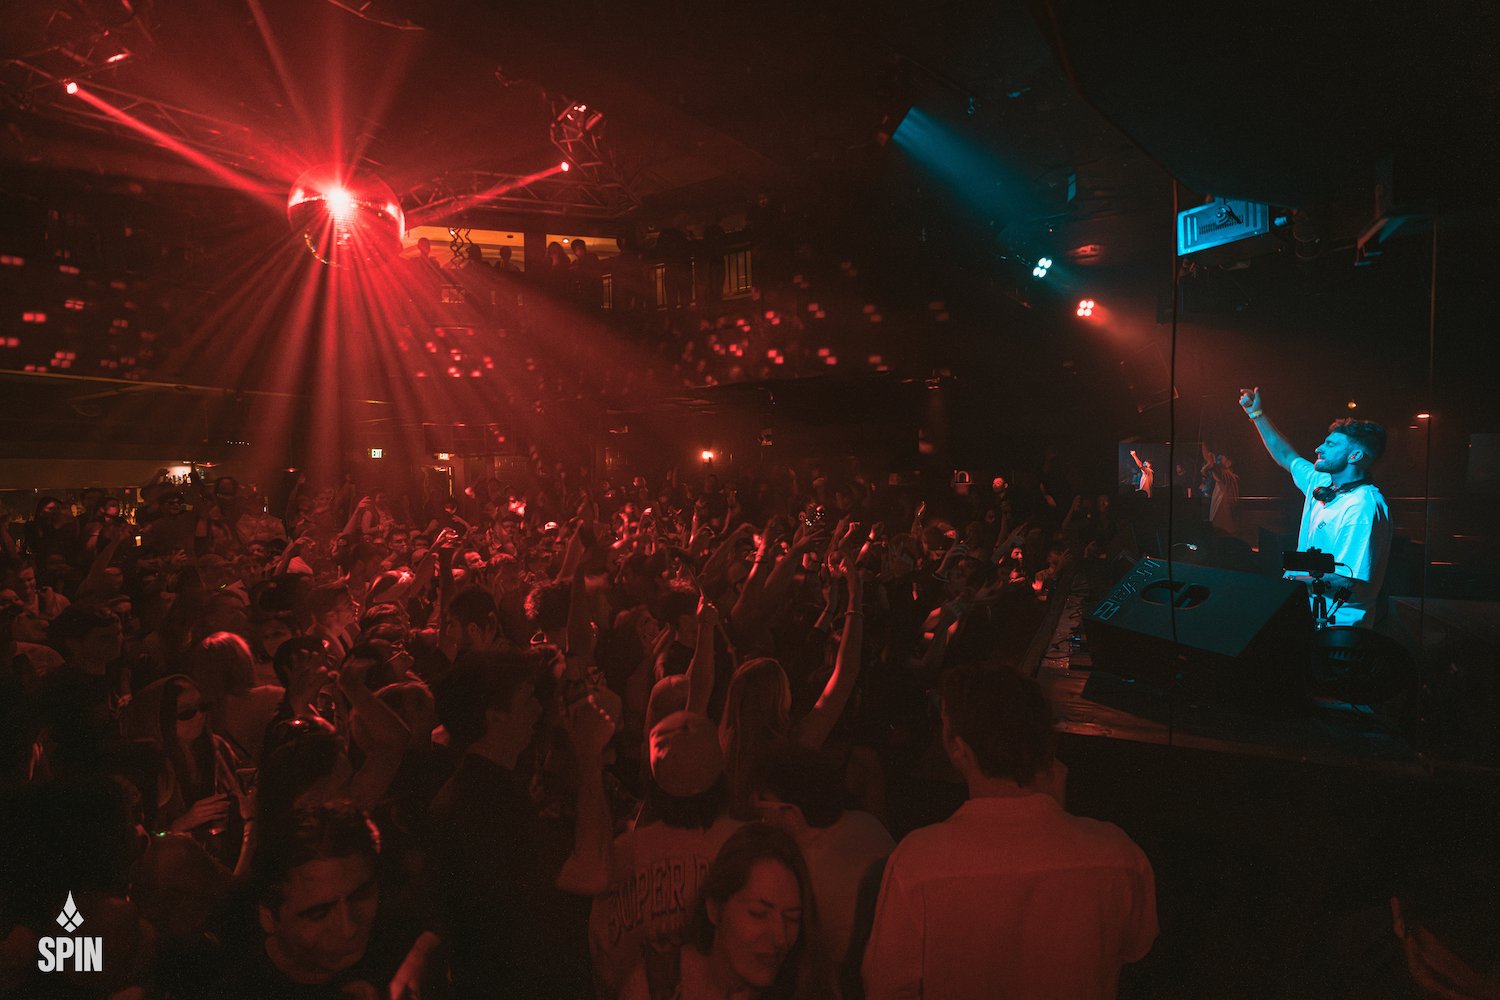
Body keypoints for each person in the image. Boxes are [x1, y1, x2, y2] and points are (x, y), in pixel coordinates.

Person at [862, 667, 1156, 999]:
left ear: (958, 748)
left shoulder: (915, 865)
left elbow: (886, 987)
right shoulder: (1118, 856)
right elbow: (1135, 947)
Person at [1238, 387, 1391, 627]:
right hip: (1308, 616)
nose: (1319, 448)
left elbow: (1349, 581)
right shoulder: (1323, 483)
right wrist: (1256, 413)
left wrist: (1290, 579)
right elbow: (1286, 456)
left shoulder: (1362, 506)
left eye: (1330, 444)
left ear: (1354, 456)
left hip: (1340, 628)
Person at [619, 822, 825, 1000]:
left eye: (792, 918)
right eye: (758, 913)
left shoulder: (801, 987)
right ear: (715, 909)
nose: (780, 937)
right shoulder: (656, 983)